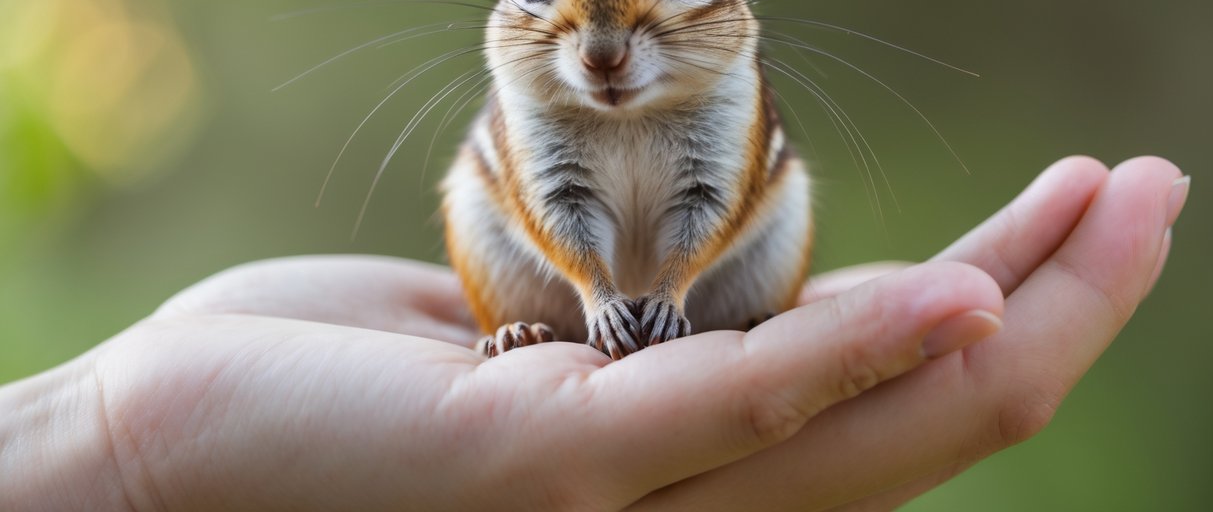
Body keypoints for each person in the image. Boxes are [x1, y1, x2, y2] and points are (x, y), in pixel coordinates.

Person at [0, 156, 1188, 511]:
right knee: (498, 192)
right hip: (549, 294)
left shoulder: (724, 60)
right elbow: (538, 195)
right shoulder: (530, 64)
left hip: (715, 284)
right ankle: (537, 322)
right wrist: (120, 446)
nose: (601, 46)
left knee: (769, 197)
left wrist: (113, 445)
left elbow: (721, 190)